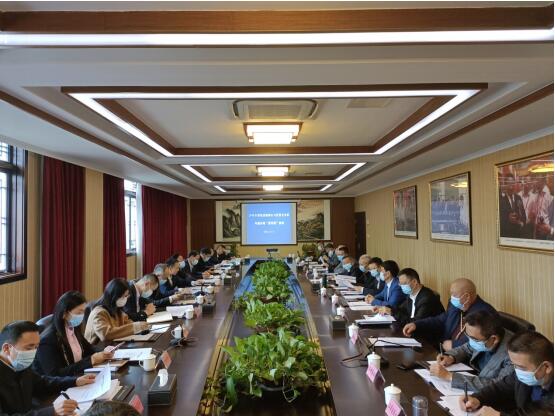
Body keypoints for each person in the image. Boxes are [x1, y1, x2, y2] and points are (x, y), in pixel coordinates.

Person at [0, 320, 96, 416]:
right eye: (29, 348)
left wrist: (75, 381)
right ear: (7, 348)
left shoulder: (19, 364)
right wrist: (51, 412)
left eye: (36, 347)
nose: (33, 353)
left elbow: (42, 383)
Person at [460, 331, 553, 416]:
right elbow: (502, 387)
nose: (516, 371)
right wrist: (478, 398)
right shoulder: (525, 373)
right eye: (514, 365)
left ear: (547, 367)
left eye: (521, 367)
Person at [34, 291, 114, 377]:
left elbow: (89, 349)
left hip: (78, 377)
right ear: (64, 314)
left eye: (83, 312)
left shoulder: (73, 328)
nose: (82, 316)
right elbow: (55, 374)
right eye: (79, 313)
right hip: (63, 383)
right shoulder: (47, 340)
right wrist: (91, 360)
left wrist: (104, 352)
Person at [403, 278, 496, 350]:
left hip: (464, 357)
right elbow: (440, 319)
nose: (452, 298)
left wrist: (454, 345)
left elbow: (479, 341)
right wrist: (416, 324)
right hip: (443, 350)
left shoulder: (485, 313)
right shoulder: (456, 305)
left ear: (467, 296)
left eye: (454, 295)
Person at [430, 310, 513, 391]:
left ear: (494, 339)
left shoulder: (512, 355)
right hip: (472, 374)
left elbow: (497, 386)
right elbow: (467, 348)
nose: (470, 341)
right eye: (467, 335)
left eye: (473, 339)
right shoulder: (483, 337)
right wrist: (451, 357)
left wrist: (449, 376)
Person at [84, 278, 149, 345]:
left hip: (113, 346)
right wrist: (135, 327)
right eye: (124, 296)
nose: (125, 299)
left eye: (127, 296)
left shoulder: (117, 310)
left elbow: (128, 323)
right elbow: (105, 334)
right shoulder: (99, 312)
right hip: (98, 349)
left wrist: (141, 327)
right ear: (114, 296)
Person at [380, 268, 444, 325]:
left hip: (428, 333)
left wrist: (392, 312)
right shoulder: (411, 294)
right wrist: (386, 308)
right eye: (400, 284)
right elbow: (401, 309)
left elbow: (416, 323)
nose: (401, 286)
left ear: (414, 282)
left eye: (404, 283)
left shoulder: (427, 298)